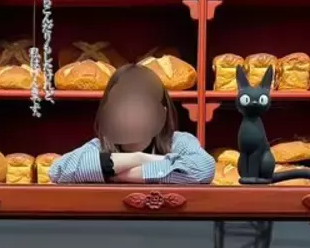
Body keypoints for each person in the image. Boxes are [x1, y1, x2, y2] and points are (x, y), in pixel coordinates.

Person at [49, 64, 215, 185]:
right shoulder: (99, 147)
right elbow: (59, 171)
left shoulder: (178, 142)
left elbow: (203, 168)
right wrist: (139, 158)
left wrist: (116, 175)